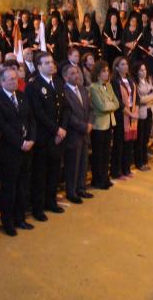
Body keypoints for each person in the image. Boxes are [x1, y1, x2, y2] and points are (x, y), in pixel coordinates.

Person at [0, 67, 35, 236]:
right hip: (9, 150)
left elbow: (31, 120)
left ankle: (20, 218)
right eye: (10, 79)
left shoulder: (23, 97)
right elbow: (3, 126)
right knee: (10, 187)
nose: (14, 81)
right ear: (2, 82)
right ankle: (7, 222)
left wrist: (31, 139)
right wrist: (20, 142)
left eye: (15, 78)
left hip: (27, 148)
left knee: (23, 185)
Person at [25, 52, 68, 220]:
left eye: (52, 61)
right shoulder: (33, 86)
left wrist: (62, 128)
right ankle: (38, 208)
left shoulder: (58, 82)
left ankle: (51, 202)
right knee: (40, 173)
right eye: (47, 63)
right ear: (39, 66)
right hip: (44, 136)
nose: (51, 65)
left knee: (54, 171)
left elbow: (64, 108)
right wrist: (56, 130)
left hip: (58, 136)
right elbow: (38, 113)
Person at [61, 64, 93, 203]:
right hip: (73, 133)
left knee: (83, 162)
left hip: (85, 132)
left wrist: (90, 123)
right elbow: (68, 115)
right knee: (73, 164)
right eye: (73, 73)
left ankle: (81, 188)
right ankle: (71, 192)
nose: (77, 75)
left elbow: (90, 109)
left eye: (77, 72)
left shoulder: (83, 89)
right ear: (66, 77)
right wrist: (83, 126)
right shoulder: (64, 92)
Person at [89, 61, 119, 189]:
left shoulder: (109, 85)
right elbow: (101, 107)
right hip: (99, 125)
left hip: (109, 123)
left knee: (107, 152)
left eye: (107, 71)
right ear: (97, 73)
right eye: (104, 71)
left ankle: (105, 177)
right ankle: (97, 179)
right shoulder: (93, 87)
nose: (107, 74)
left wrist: (109, 105)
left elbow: (117, 103)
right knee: (98, 154)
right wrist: (109, 105)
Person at [134, 62, 153, 170]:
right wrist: (150, 97)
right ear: (137, 71)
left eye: (145, 69)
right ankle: (139, 162)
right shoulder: (136, 83)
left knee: (146, 138)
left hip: (149, 111)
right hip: (141, 113)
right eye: (141, 70)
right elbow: (140, 100)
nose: (144, 72)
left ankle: (145, 160)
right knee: (140, 139)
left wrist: (149, 97)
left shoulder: (148, 81)